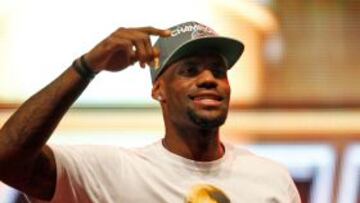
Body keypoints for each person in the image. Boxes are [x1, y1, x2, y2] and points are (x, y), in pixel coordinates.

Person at [0, 21, 301, 203]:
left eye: (218, 70)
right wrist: (87, 66)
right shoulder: (114, 173)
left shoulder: (271, 178)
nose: (209, 79)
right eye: (190, 70)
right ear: (159, 90)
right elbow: (7, 159)